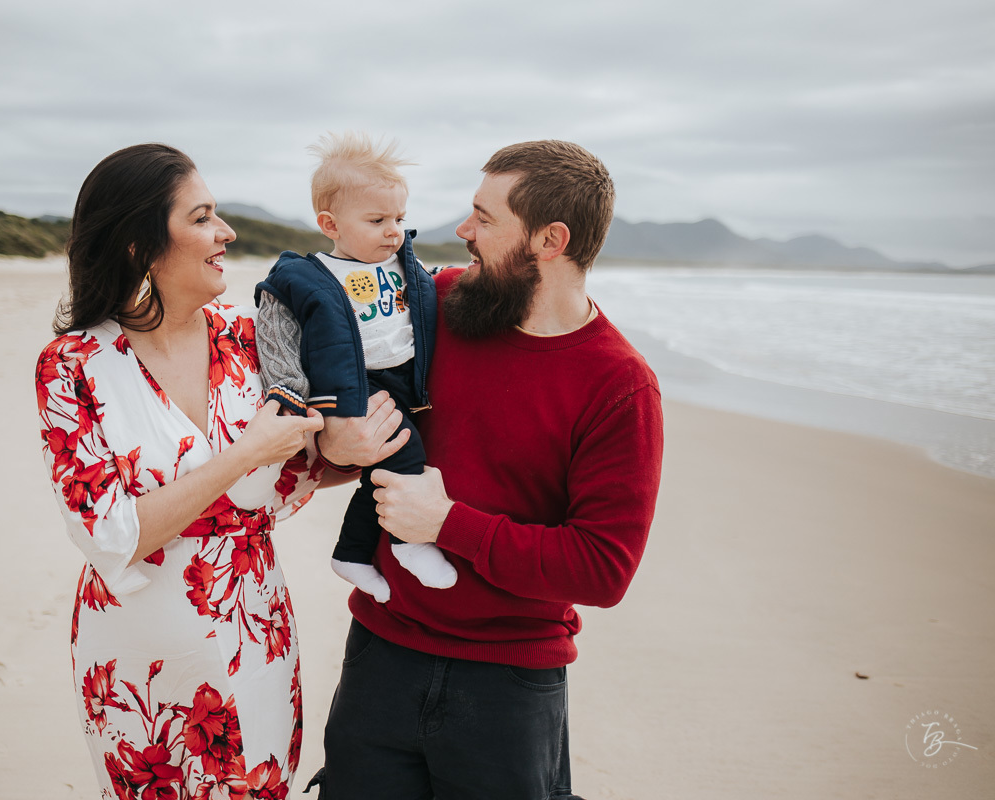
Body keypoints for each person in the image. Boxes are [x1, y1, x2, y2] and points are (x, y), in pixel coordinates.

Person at [35, 143, 404, 799]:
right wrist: (244, 453)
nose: (225, 232)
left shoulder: (252, 335)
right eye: (202, 217)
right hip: (136, 655)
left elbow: (300, 467)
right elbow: (114, 534)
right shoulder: (73, 366)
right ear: (138, 245)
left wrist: (350, 451)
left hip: (253, 629)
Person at [310, 141, 665, 800]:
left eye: (484, 218)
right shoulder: (433, 306)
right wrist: (335, 439)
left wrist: (448, 525)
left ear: (550, 240)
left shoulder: (620, 386)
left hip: (510, 687)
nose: (462, 231)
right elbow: (333, 419)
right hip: (380, 655)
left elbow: (602, 569)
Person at [254, 132, 456, 603]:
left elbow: (432, 291)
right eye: (378, 219)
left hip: (404, 377)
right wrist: (289, 393)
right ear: (331, 224)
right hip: (353, 382)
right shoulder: (314, 275)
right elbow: (276, 322)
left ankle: (351, 552)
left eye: (401, 218)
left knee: (381, 472)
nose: (395, 230)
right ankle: (410, 544)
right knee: (405, 456)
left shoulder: (403, 264)